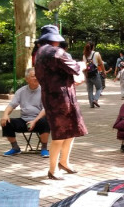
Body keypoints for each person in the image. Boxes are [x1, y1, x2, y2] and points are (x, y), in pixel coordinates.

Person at [33, 25, 87, 180]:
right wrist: (82, 65)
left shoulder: (39, 53)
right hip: (62, 98)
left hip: (52, 96)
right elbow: (75, 68)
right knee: (61, 134)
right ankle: (53, 169)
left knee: (70, 131)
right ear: (55, 39)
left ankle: (64, 162)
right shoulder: (56, 52)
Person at [0, 67, 50, 158]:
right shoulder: (21, 91)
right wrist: (5, 115)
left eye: (37, 76)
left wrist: (34, 121)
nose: (36, 78)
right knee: (6, 122)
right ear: (27, 79)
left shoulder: (44, 91)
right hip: (24, 120)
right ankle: (15, 148)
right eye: (33, 76)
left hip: (38, 120)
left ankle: (44, 148)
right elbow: (11, 105)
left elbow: (45, 109)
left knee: (45, 121)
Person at [83, 42, 105, 108]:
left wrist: (85, 75)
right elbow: (101, 64)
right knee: (99, 88)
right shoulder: (96, 54)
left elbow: (84, 66)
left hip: (87, 75)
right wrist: (103, 72)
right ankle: (95, 99)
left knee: (90, 90)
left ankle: (91, 104)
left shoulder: (84, 55)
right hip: (95, 74)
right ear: (93, 47)